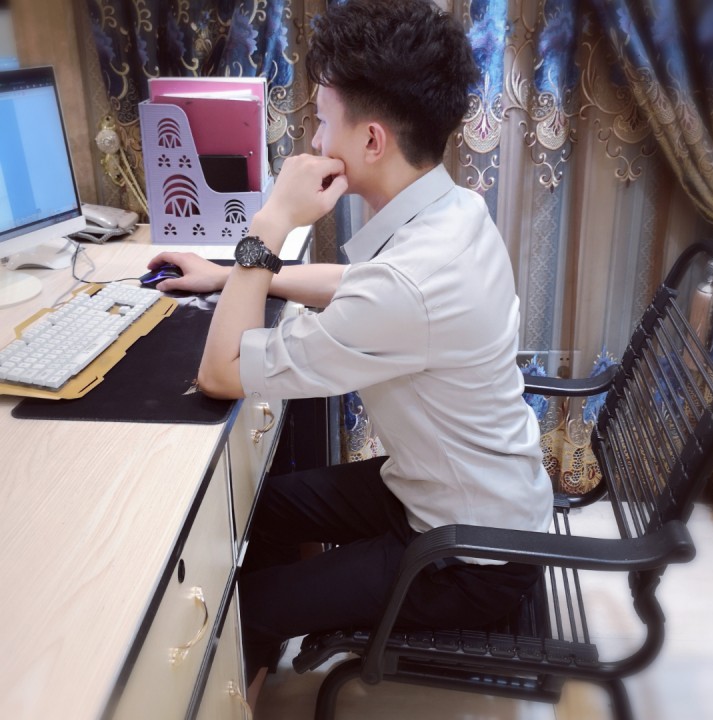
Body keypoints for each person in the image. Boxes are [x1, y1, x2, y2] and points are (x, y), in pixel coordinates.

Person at [149, 0, 553, 703]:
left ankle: (254, 658)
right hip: (457, 493)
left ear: (370, 140)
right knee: (269, 506)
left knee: (247, 605)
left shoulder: (409, 284)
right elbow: (361, 286)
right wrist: (230, 274)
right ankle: (281, 635)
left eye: (321, 120)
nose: (312, 139)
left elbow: (220, 372)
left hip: (470, 557)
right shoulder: (454, 210)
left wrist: (269, 223)